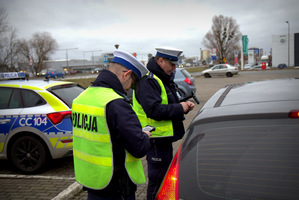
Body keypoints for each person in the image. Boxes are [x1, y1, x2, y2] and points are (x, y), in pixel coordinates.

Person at [72, 49, 152, 200]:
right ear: (126, 74)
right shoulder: (116, 103)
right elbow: (139, 147)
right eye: (132, 83)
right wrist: (144, 136)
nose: (129, 89)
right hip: (117, 188)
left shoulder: (80, 98)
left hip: (93, 183)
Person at [132, 47, 195, 199]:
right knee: (157, 181)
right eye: (172, 64)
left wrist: (183, 106)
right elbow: (154, 110)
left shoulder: (160, 78)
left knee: (164, 179)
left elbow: (166, 103)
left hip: (164, 139)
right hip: (155, 140)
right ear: (160, 61)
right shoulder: (148, 81)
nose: (174, 68)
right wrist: (180, 107)